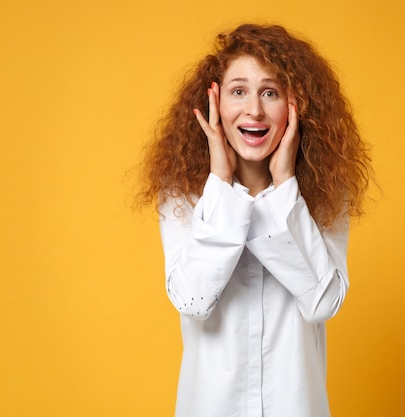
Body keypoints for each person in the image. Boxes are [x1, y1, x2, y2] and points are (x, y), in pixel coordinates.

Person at [136, 23, 371, 417]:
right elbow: (192, 300)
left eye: (270, 92)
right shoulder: (184, 196)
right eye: (239, 91)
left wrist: (284, 189)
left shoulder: (325, 195)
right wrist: (220, 185)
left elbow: (324, 301)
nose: (255, 110)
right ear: (216, 103)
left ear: (295, 106)